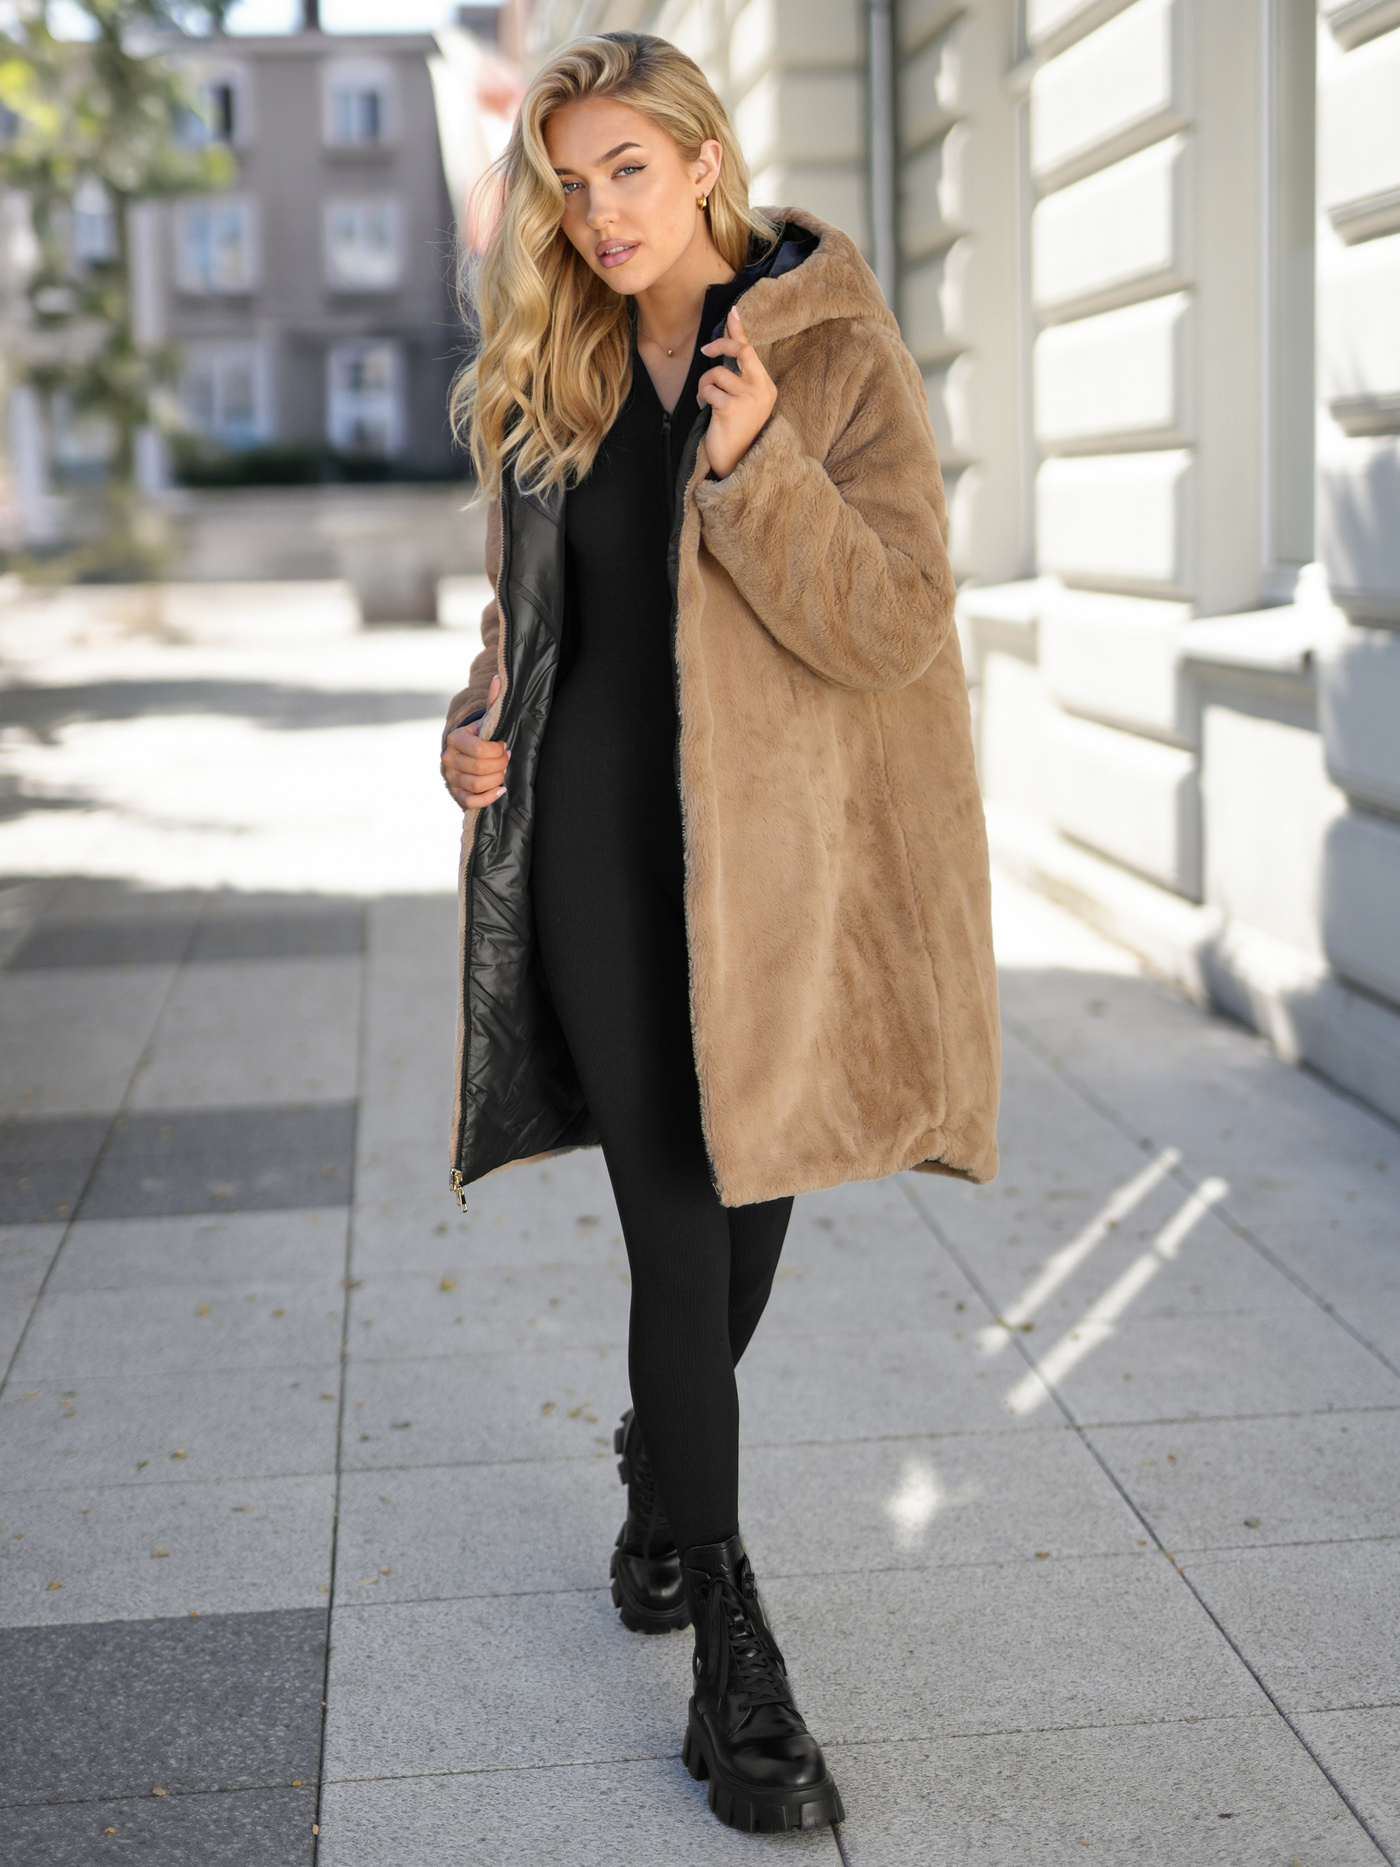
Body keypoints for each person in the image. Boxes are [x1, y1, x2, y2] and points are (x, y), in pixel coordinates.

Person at [440, 30, 999, 1836]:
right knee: (679, 1227)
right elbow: (533, 617)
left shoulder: (824, 345)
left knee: (745, 1222)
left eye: (628, 169)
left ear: (700, 159)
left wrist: (760, 469)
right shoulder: (561, 363)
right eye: (571, 182)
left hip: (773, 878)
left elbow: (897, 617)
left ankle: (656, 1470)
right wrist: (472, 722)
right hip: (593, 857)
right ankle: (735, 1665)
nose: (600, 214)